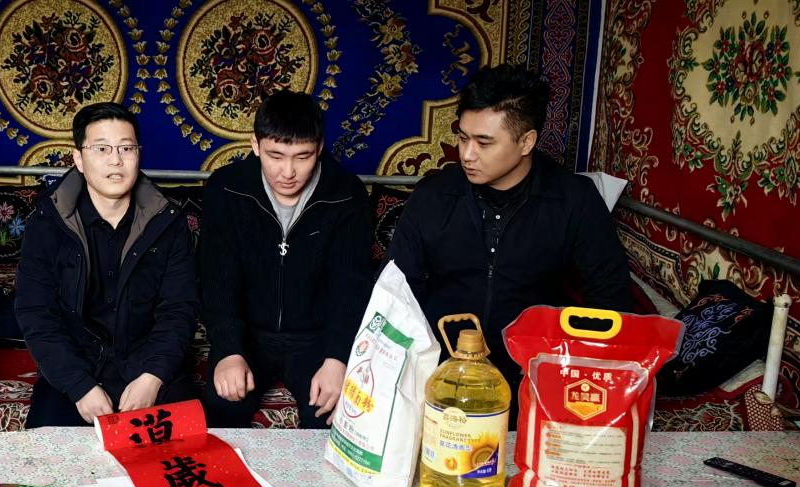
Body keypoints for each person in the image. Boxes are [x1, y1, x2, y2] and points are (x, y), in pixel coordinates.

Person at [388, 64, 634, 423]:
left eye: (484, 142)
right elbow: (397, 291)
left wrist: (575, 371)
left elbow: (610, 296)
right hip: (441, 373)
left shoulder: (573, 200)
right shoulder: (434, 195)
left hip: (533, 376)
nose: (467, 154)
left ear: (526, 142)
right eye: (463, 137)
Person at [15, 102, 199, 427]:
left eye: (126, 148)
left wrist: (152, 377)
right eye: (101, 149)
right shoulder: (46, 224)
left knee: (191, 448)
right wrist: (79, 386)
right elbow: (37, 314)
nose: (116, 160)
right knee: (45, 453)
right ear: (78, 159)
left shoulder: (169, 223)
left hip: (148, 366)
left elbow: (179, 309)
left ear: (138, 154)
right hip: (75, 369)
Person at [200, 90, 375, 428]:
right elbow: (217, 278)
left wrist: (338, 358)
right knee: (222, 409)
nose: (288, 172)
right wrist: (228, 349)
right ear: (255, 145)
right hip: (249, 335)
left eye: (302, 156)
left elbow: (350, 285)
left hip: (317, 338)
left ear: (319, 148)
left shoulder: (347, 194)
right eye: (276, 156)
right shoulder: (226, 189)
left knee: (333, 419)